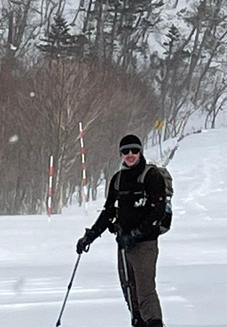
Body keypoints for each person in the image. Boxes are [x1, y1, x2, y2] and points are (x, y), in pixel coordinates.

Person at [76, 134, 167, 327]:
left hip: (145, 244)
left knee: (145, 291)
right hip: (124, 244)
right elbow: (108, 212)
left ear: (140, 152)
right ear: (121, 154)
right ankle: (138, 322)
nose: (130, 154)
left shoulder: (151, 176)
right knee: (129, 290)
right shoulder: (118, 179)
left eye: (134, 150)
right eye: (126, 151)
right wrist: (89, 236)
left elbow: (157, 212)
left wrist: (135, 234)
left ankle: (154, 323)